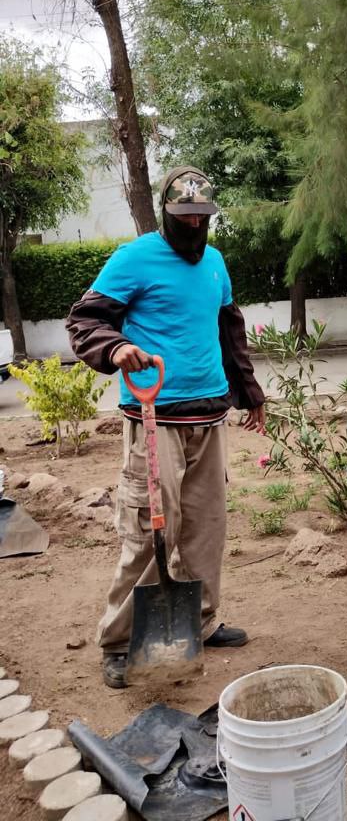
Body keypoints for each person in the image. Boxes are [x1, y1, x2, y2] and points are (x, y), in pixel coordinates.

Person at [66, 166, 266, 688]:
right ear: (167, 214)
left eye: (203, 217)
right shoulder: (134, 258)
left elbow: (229, 332)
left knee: (206, 529)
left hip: (210, 416)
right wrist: (117, 349)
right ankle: (118, 641)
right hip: (154, 420)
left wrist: (250, 394)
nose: (196, 226)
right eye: (186, 217)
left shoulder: (216, 264)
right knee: (149, 531)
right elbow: (84, 320)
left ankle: (200, 621)